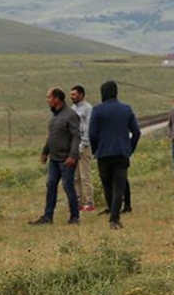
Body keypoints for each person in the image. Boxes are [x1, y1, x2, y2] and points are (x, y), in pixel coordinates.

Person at [89, 81, 141, 230]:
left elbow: (92, 134)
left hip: (104, 154)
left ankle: (112, 213)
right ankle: (115, 219)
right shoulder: (126, 109)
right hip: (121, 153)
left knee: (107, 186)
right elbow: (136, 132)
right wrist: (130, 148)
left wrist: (95, 150)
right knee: (119, 186)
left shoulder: (97, 110)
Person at [31, 87, 81, 225]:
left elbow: (76, 136)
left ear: (57, 99)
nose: (47, 100)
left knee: (68, 186)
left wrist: (73, 155)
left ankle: (75, 217)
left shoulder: (70, 115)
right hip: (54, 159)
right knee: (51, 185)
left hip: (66, 159)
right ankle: (48, 217)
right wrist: (45, 151)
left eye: (49, 97)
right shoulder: (55, 116)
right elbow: (52, 137)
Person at [70, 85, 95, 212]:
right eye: (71, 94)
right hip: (74, 146)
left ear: (81, 95)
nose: (72, 97)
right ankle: (78, 201)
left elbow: (87, 128)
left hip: (84, 147)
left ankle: (89, 202)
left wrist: (83, 144)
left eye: (74, 94)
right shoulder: (72, 109)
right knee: (75, 177)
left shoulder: (88, 109)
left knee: (85, 175)